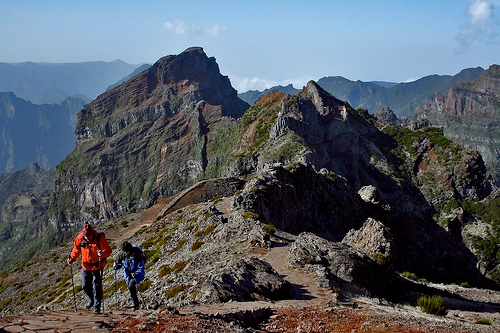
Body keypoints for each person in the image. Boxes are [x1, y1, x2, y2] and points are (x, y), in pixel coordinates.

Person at [67, 221, 112, 314]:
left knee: (97, 286)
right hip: (86, 265)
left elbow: (108, 250)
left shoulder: (100, 238)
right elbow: (76, 249)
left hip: (97, 265)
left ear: (92, 233)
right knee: (85, 286)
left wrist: (102, 254)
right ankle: (92, 299)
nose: (87, 238)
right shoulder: (80, 238)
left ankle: (97, 307)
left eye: (89, 236)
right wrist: (72, 258)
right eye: (86, 236)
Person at [113, 241, 145, 310]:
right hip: (128, 274)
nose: (125, 253)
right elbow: (120, 264)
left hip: (137, 274)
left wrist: (136, 273)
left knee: (131, 286)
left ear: (129, 250)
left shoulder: (136, 254)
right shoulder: (123, 255)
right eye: (124, 251)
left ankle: (136, 305)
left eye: (126, 251)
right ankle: (136, 304)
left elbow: (141, 267)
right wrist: (116, 265)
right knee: (131, 287)